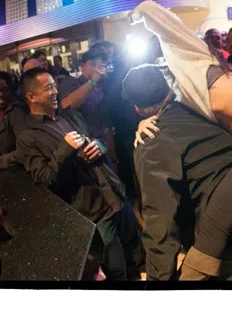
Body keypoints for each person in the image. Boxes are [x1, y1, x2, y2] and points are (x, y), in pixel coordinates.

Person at [130, 0, 232, 280]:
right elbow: (168, 109)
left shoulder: (196, 62)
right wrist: (146, 121)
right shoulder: (185, 89)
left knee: (213, 224)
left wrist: (140, 13)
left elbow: (164, 21)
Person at [16, 68, 143, 280]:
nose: (55, 91)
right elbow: (44, 179)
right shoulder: (28, 137)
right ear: (31, 97)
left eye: (55, 86)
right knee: (115, 268)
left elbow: (98, 137)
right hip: (93, 210)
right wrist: (64, 151)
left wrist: (99, 146)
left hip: (115, 195)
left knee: (135, 254)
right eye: (49, 88)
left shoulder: (71, 114)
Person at [58, 48, 111, 141]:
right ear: (82, 66)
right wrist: (93, 81)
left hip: (102, 139)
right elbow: (66, 105)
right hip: (82, 139)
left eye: (102, 65)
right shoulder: (71, 82)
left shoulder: (105, 83)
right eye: (93, 64)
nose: (97, 69)